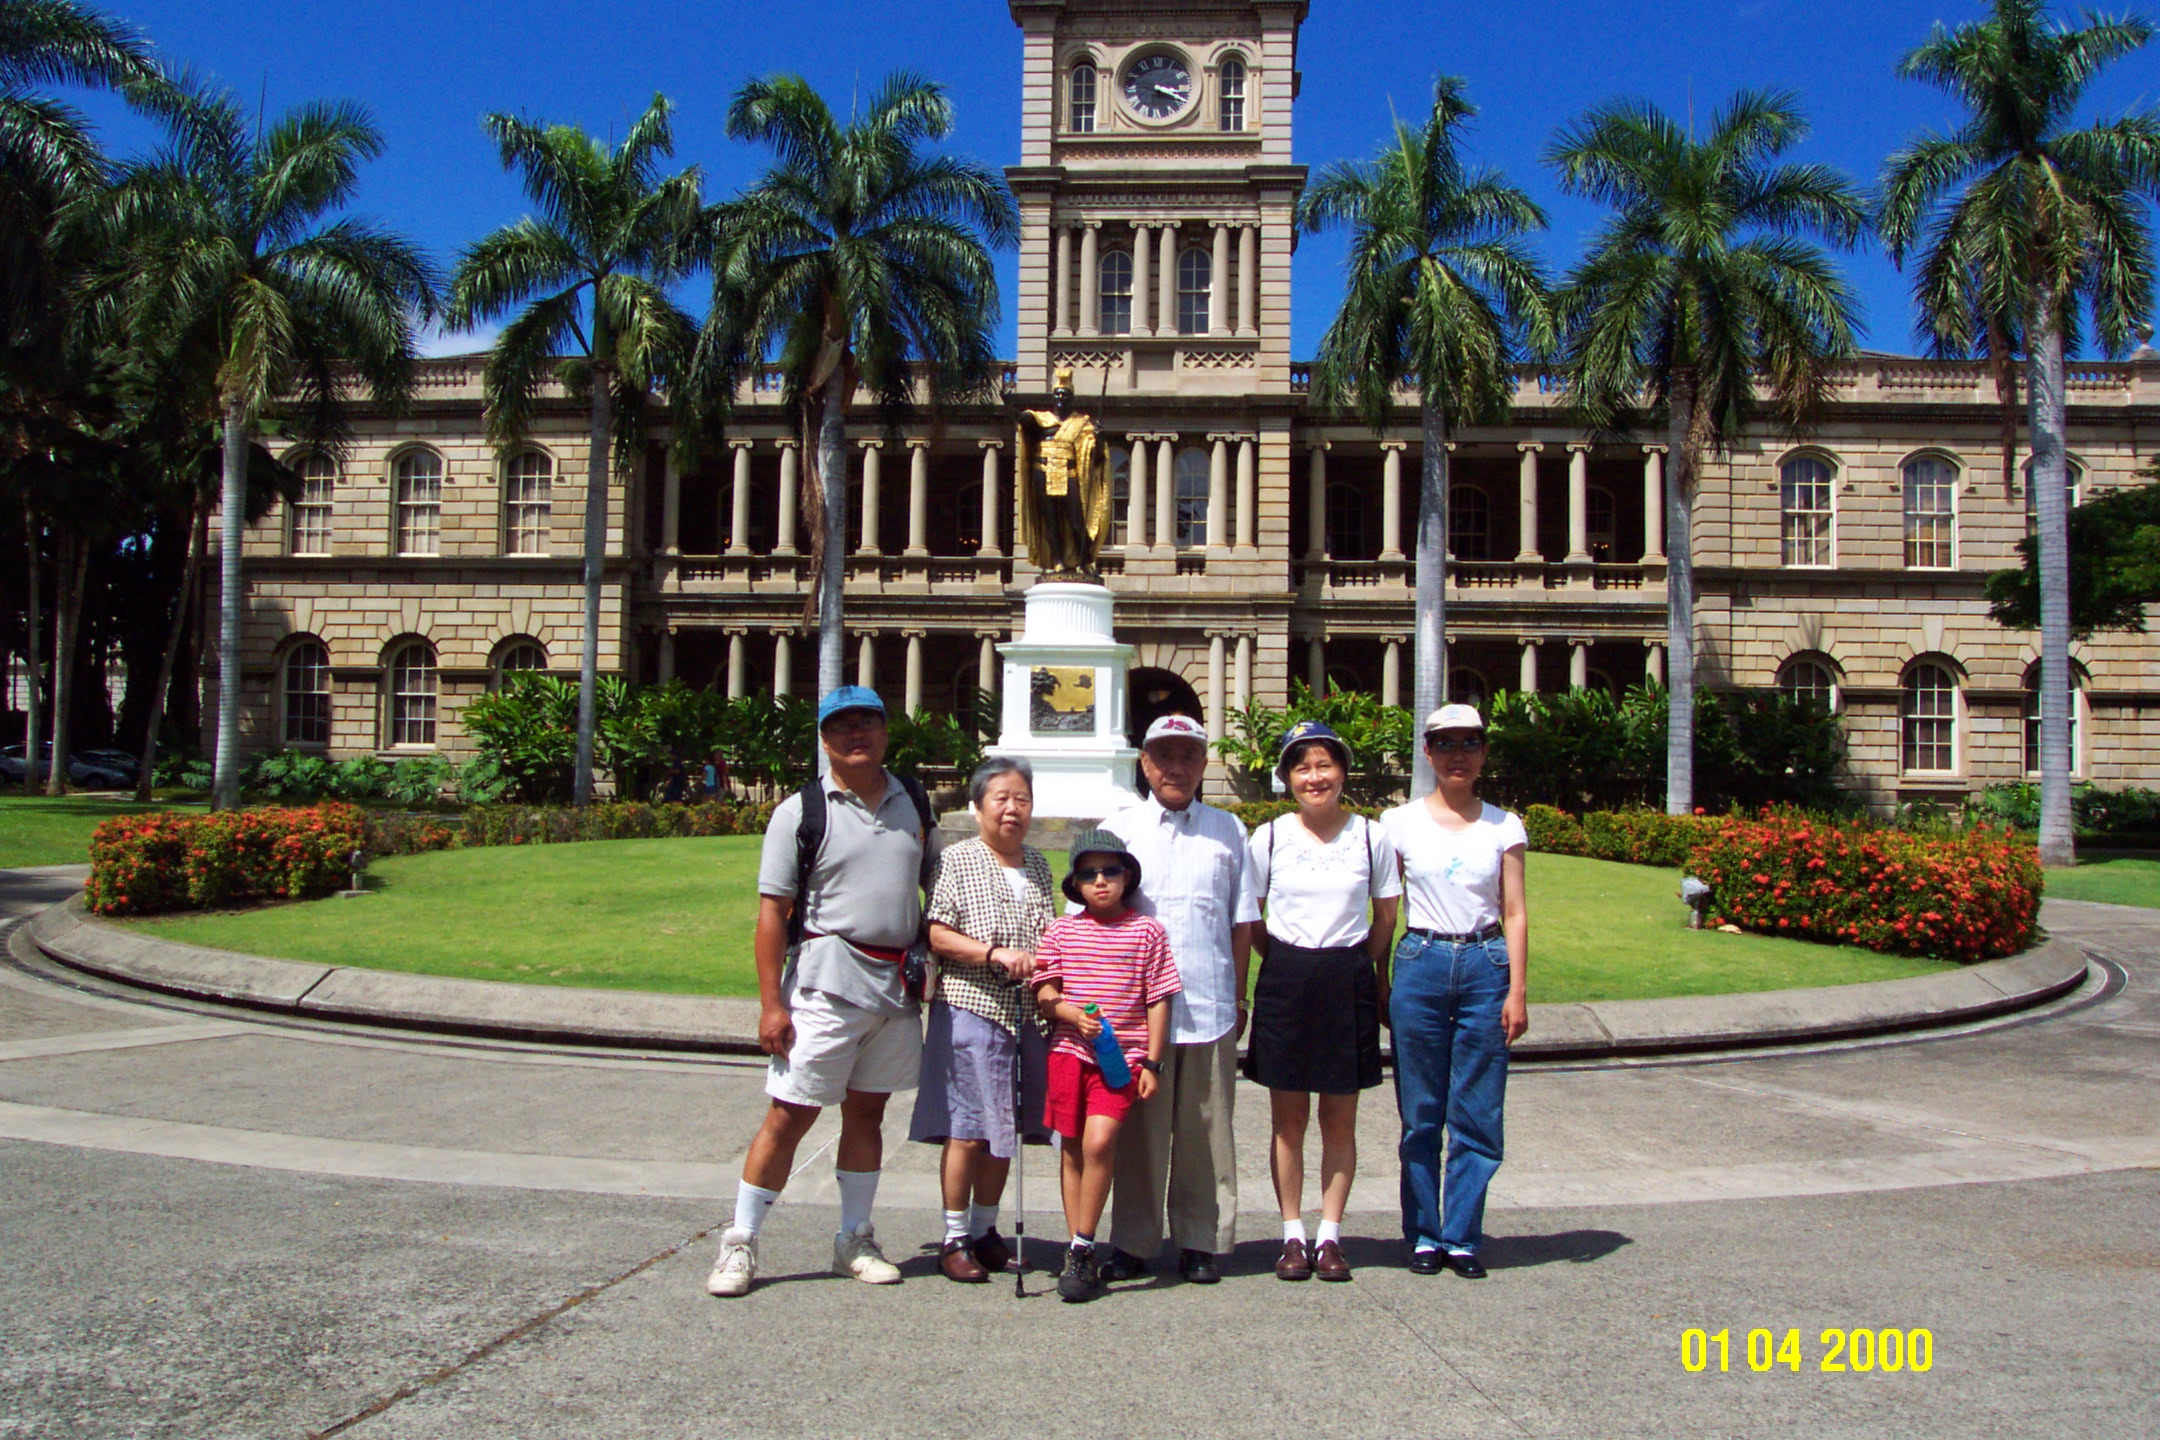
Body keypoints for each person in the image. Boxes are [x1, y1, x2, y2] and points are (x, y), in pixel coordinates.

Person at [706, 686, 939, 1298]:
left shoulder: (913, 801)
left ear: (886, 731)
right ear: (825, 737)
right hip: (824, 984)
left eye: (867, 722)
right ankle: (740, 1241)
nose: (856, 734)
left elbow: (934, 886)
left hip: (894, 988)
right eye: (841, 725)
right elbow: (772, 912)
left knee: (867, 1112)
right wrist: (771, 1005)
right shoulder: (801, 811)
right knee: (790, 1113)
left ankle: (853, 1238)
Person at [1094, 712, 1260, 1285]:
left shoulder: (1228, 830)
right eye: (1164, 755)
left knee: (1206, 1132)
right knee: (1140, 1136)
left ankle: (1199, 1239)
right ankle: (1134, 1241)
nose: (1176, 766)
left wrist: (1239, 998)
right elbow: (1091, 918)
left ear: (1204, 763)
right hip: (1139, 1016)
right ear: (1144, 763)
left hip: (1210, 1004)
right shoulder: (1119, 830)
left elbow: (1241, 922)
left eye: (1188, 755)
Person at [1245, 720, 1401, 1282]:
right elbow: (1251, 915)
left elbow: (1386, 915)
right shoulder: (1267, 838)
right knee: (1288, 1119)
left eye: (1324, 765)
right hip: (1286, 978)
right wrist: (1283, 960)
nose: (1315, 777)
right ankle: (1292, 1235)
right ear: (1287, 777)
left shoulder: (1372, 837)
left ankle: (1330, 1235)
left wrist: (1359, 965)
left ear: (1342, 773)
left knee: (1339, 1117)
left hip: (1346, 976)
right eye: (1302, 767)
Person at [1380, 703, 1530, 1279]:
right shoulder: (1399, 823)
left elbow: (1514, 911)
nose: (1457, 755)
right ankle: (1423, 1232)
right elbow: (1386, 910)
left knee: (1477, 1111)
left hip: (1485, 964)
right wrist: (1380, 978)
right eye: (1445, 744)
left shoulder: (1503, 825)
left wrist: (1517, 990)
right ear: (1428, 752)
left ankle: (1462, 1235)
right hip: (1421, 960)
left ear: (1484, 752)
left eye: (1469, 743)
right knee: (1420, 1111)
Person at [910, 756, 1056, 1283]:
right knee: (968, 1129)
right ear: (977, 808)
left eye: (1022, 799)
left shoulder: (1038, 864)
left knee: (1005, 1127)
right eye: (1001, 798)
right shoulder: (957, 859)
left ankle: (985, 1230)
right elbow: (937, 932)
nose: (1012, 808)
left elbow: (1050, 932)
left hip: (1026, 1015)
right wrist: (994, 954)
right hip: (971, 1006)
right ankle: (954, 1238)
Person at [1031, 831, 1177, 1302]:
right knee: (1072, 1148)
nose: (1100, 881)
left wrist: (1153, 1062)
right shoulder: (1062, 930)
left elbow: (1159, 998)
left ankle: (1083, 1241)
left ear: (1127, 877)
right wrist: (1071, 1013)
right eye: (1089, 873)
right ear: (1075, 883)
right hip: (1069, 1054)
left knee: (1099, 1142)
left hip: (1122, 1059)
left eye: (1110, 871)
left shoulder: (1148, 931)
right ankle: (1079, 1249)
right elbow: (1045, 990)